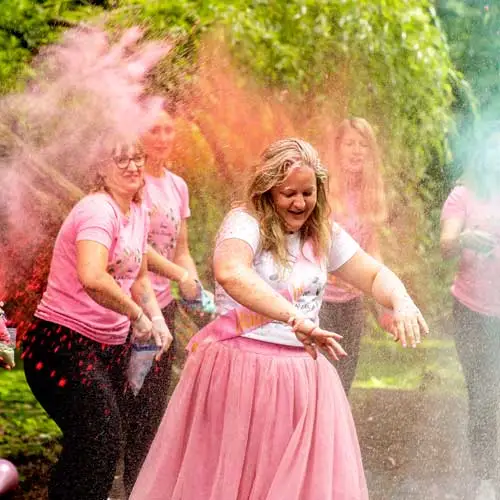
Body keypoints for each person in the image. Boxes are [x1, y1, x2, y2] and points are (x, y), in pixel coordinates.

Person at [129, 138, 428, 500]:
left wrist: (403, 300)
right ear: (268, 189)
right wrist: (293, 317)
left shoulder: (323, 233)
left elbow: (374, 275)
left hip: (302, 379)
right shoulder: (244, 222)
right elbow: (231, 273)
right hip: (238, 371)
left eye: (308, 193)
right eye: (289, 193)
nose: (300, 203)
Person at [22, 142, 172, 500]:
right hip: (60, 345)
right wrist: (136, 315)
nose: (133, 166)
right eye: (122, 158)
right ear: (101, 166)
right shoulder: (97, 211)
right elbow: (92, 276)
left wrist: (156, 318)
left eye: (138, 157)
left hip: (107, 347)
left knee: (102, 442)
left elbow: (138, 277)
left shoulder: (136, 210)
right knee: (98, 439)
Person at [122, 109, 212, 494]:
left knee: (150, 414)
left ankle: (139, 492)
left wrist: (192, 283)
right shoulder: (131, 181)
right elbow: (136, 247)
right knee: (121, 409)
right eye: (152, 129)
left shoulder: (177, 186)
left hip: (165, 310)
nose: (161, 137)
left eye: (167, 129)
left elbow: (182, 250)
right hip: (126, 309)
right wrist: (180, 276)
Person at [440, 127, 500, 500]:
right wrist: (465, 239)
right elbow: (446, 245)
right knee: (482, 394)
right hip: (472, 313)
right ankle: (486, 478)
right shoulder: (462, 195)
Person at [319, 117, 388, 394]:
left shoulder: (370, 194)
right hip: (318, 301)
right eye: (350, 143)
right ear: (338, 149)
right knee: (321, 381)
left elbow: (373, 250)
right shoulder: (321, 189)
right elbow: (305, 245)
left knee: (344, 383)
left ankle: (335, 439)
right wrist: (337, 273)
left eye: (363, 145)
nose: (357, 151)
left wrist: (387, 298)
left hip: (352, 303)